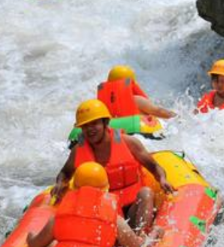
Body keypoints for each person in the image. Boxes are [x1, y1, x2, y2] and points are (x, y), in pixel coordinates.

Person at [52, 99, 175, 233]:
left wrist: (162, 179)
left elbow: (154, 167)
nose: (90, 129)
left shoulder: (128, 142)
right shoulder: (78, 151)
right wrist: (59, 184)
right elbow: (65, 173)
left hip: (131, 209)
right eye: (85, 126)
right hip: (102, 213)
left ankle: (141, 238)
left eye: (94, 124)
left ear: (105, 123)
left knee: (146, 193)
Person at [27, 162, 163, 247]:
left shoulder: (57, 218)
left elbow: (34, 245)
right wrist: (155, 233)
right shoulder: (114, 221)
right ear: (105, 191)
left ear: (74, 189)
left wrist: (29, 236)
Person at [97, 65, 177, 119]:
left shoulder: (102, 104)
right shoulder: (136, 100)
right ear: (131, 83)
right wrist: (176, 116)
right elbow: (158, 111)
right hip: (140, 133)